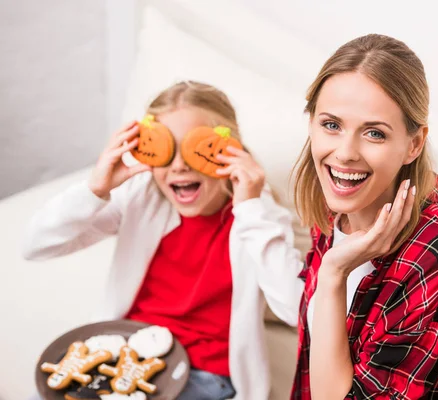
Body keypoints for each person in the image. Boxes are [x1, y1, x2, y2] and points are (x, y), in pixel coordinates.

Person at [23, 81, 303, 400]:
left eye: (196, 151)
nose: (179, 165)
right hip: (123, 354)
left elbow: (298, 309)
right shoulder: (141, 197)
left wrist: (252, 209)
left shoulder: (256, 215)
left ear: (229, 151)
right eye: (166, 150)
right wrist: (95, 190)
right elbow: (36, 246)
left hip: (207, 374)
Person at [289, 34, 438, 399]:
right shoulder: (335, 208)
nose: (345, 153)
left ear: (414, 144)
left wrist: (334, 274)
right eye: (331, 125)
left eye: (374, 133)